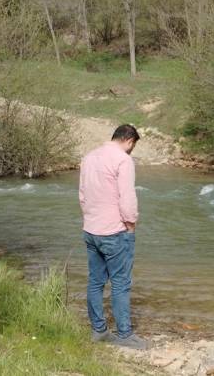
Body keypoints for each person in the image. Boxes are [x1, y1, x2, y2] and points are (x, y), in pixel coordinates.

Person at [78, 124, 147, 350]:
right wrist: (131, 224)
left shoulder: (89, 157)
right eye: (133, 146)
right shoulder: (123, 160)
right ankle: (125, 335)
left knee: (96, 281)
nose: (131, 150)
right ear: (129, 140)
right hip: (115, 230)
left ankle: (99, 331)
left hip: (91, 228)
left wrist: (89, 218)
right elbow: (127, 197)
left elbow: (82, 194)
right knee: (120, 284)